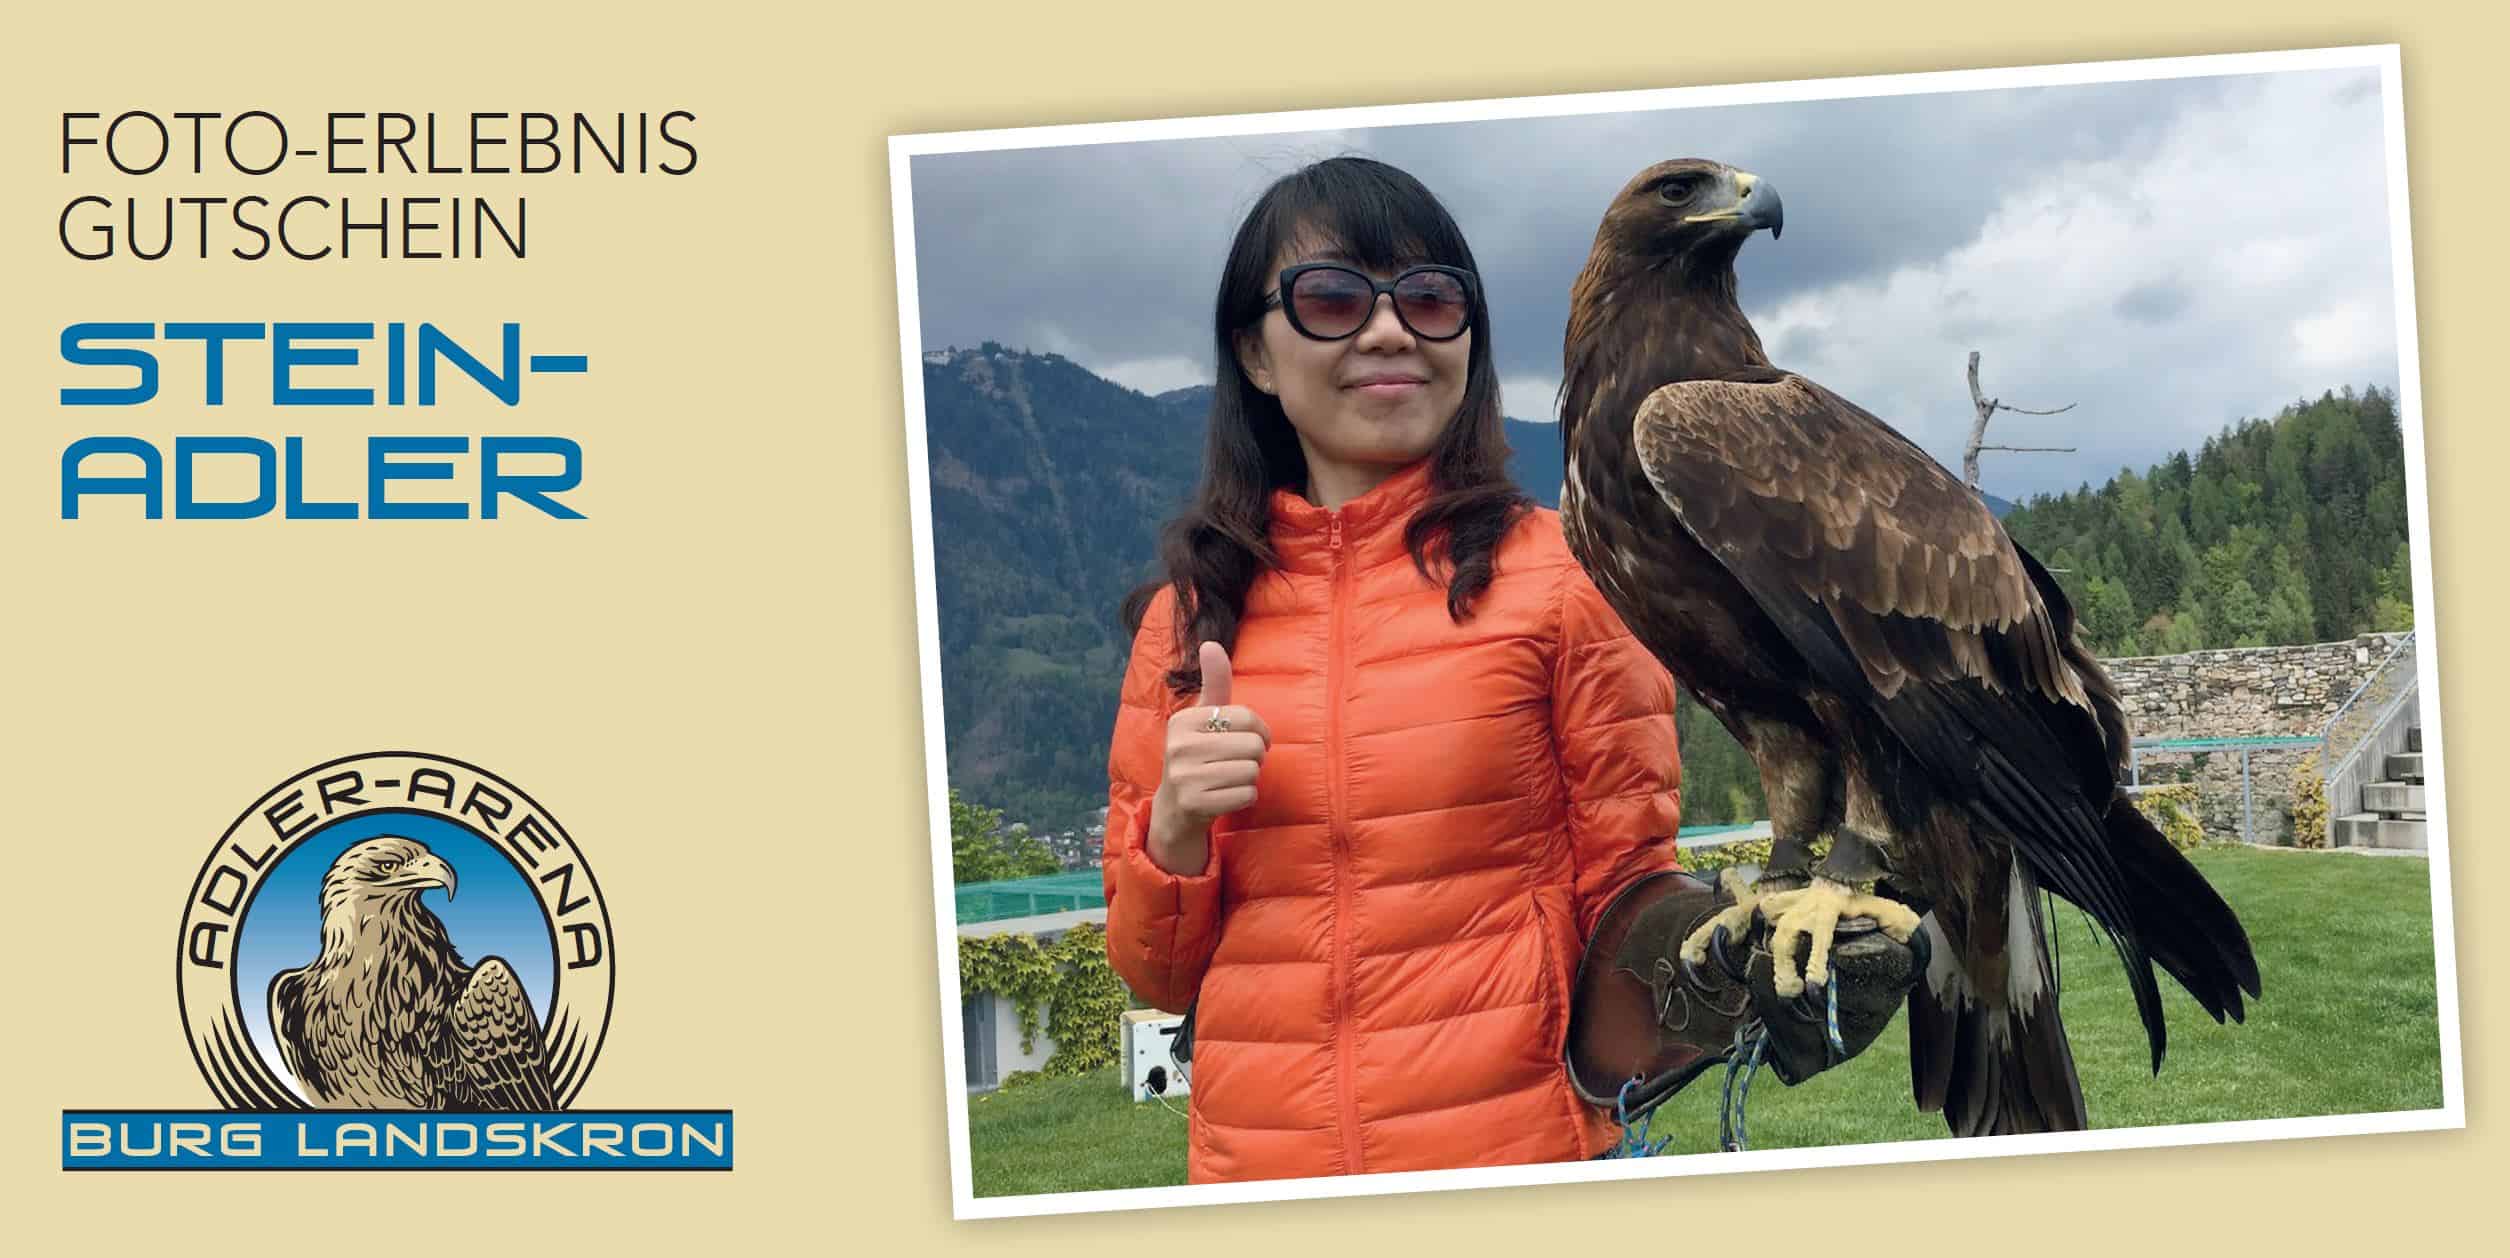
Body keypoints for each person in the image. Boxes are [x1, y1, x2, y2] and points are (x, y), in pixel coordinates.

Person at [1098, 157, 1906, 1184]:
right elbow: (1156, 973)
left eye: (1430, 300)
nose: (1388, 331)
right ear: (1256, 352)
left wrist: (1725, 959)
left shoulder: (1569, 579)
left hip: (1512, 1162)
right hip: (1257, 1178)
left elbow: (1624, 894)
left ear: (1468, 341)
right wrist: (1173, 827)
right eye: (1333, 298)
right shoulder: (1187, 621)